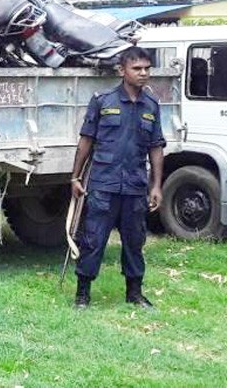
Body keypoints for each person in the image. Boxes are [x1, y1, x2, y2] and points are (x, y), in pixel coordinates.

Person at [70, 46, 165, 309]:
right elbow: (85, 141)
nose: (143, 73)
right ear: (122, 71)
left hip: (135, 187)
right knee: (93, 240)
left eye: (147, 68)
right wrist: (75, 178)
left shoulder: (151, 105)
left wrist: (156, 185)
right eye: (137, 69)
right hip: (103, 185)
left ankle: (134, 293)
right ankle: (82, 295)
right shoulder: (103, 101)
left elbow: (156, 147)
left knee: (135, 241)